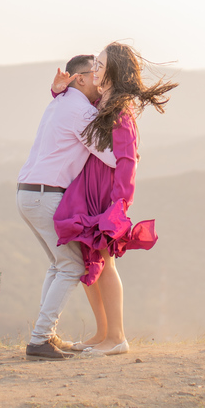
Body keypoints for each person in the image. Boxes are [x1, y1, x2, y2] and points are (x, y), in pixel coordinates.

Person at [53, 42, 177, 356]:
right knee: (87, 261)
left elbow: (128, 158)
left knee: (105, 263)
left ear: (112, 71)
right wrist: (57, 92)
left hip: (106, 195)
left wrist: (120, 204)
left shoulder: (120, 109)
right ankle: (102, 333)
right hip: (87, 190)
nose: (94, 67)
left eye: (100, 63)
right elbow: (74, 111)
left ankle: (117, 337)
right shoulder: (102, 103)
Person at [17, 53, 117, 361]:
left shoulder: (60, 102)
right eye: (95, 73)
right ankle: (40, 338)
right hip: (47, 194)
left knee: (58, 264)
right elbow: (110, 155)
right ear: (81, 79)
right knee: (72, 266)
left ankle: (45, 334)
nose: (100, 79)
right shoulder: (79, 111)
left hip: (29, 192)